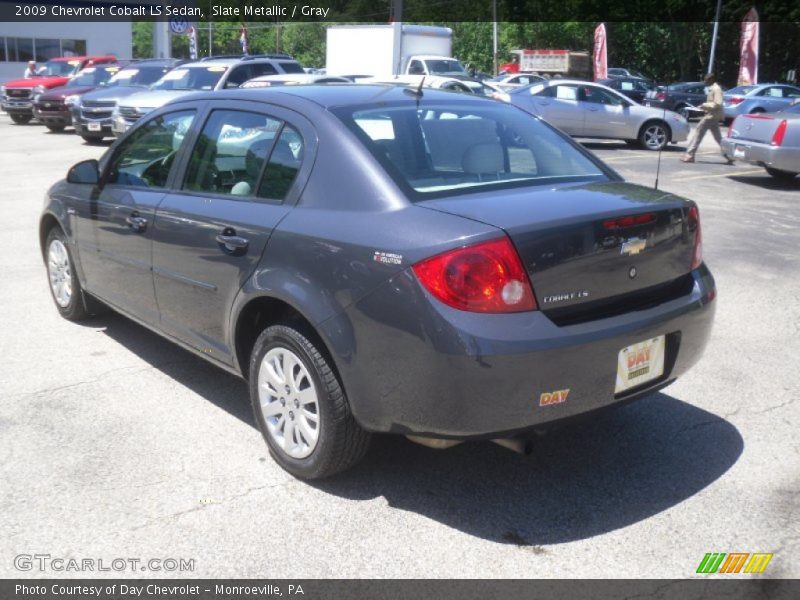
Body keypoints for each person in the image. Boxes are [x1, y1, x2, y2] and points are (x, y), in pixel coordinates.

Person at [681, 73, 733, 164]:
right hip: (713, 115)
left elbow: (718, 103)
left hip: (712, 115)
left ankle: (690, 155)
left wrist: (704, 105)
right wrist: (703, 107)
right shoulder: (712, 88)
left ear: (711, 80)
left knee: (698, 131)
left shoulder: (716, 89)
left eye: (706, 80)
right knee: (718, 138)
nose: (704, 82)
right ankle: (729, 155)